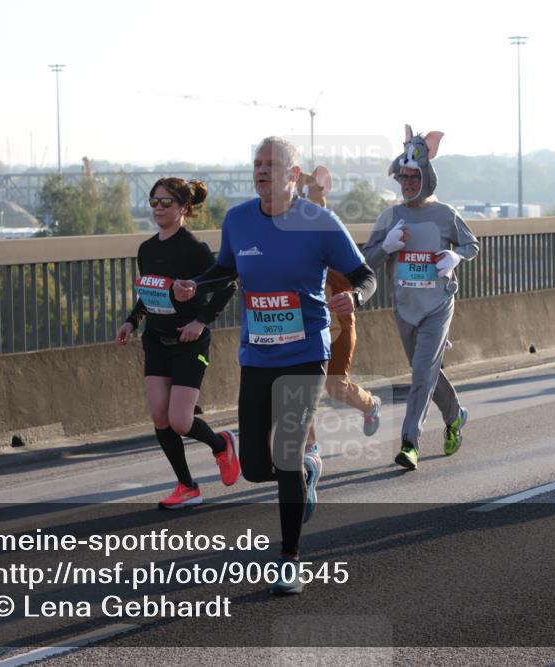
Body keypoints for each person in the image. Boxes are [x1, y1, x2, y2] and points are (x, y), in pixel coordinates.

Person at [172, 137, 377, 595]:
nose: (261, 171)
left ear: (293, 175)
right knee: (254, 466)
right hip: (257, 354)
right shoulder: (238, 220)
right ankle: (304, 473)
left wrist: (356, 296)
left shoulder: (319, 222)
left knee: (286, 452)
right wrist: (194, 285)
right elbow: (224, 269)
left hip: (305, 354)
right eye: (257, 164)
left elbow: (365, 275)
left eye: (271, 164)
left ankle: (290, 560)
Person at [115, 177, 239, 509]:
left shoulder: (194, 249)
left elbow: (228, 285)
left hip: (189, 342)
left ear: (183, 207)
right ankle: (187, 486)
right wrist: (132, 321)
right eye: (154, 202)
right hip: (156, 340)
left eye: (166, 202)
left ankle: (222, 445)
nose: (158, 208)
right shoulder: (147, 249)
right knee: (160, 416)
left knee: (181, 421)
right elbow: (150, 293)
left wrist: (200, 321)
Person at [362, 126, 479, 471]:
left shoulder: (445, 214)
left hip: (438, 305)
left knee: (420, 375)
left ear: (427, 178)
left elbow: (471, 245)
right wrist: (387, 247)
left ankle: (409, 442)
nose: (408, 183)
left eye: (414, 177)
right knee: (424, 371)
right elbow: (366, 261)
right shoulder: (389, 217)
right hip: (405, 308)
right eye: (404, 177)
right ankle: (455, 414)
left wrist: (455, 257)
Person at [296, 166, 383, 461]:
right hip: (304, 326)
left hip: (338, 325)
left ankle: (370, 405)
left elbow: (356, 277)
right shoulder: (286, 238)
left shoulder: (331, 234)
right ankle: (310, 449)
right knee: (300, 387)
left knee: (335, 387)